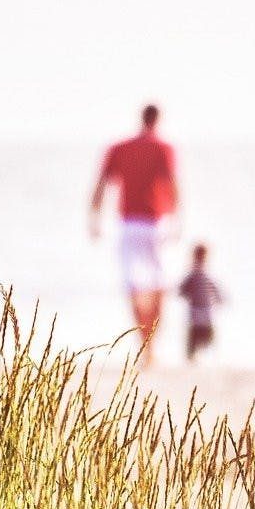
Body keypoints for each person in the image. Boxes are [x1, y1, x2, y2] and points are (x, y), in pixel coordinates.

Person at [89, 104, 179, 367]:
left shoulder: (119, 148)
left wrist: (94, 218)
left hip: (129, 225)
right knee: (159, 285)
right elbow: (173, 185)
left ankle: (145, 344)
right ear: (158, 120)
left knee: (134, 286)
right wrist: (178, 218)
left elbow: (101, 185)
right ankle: (151, 345)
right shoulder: (163, 148)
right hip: (156, 222)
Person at [178, 243, 225, 363]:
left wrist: (219, 298)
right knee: (196, 333)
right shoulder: (194, 273)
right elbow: (182, 289)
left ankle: (204, 354)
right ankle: (193, 355)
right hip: (197, 308)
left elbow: (213, 287)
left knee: (205, 332)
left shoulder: (203, 273)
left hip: (205, 308)